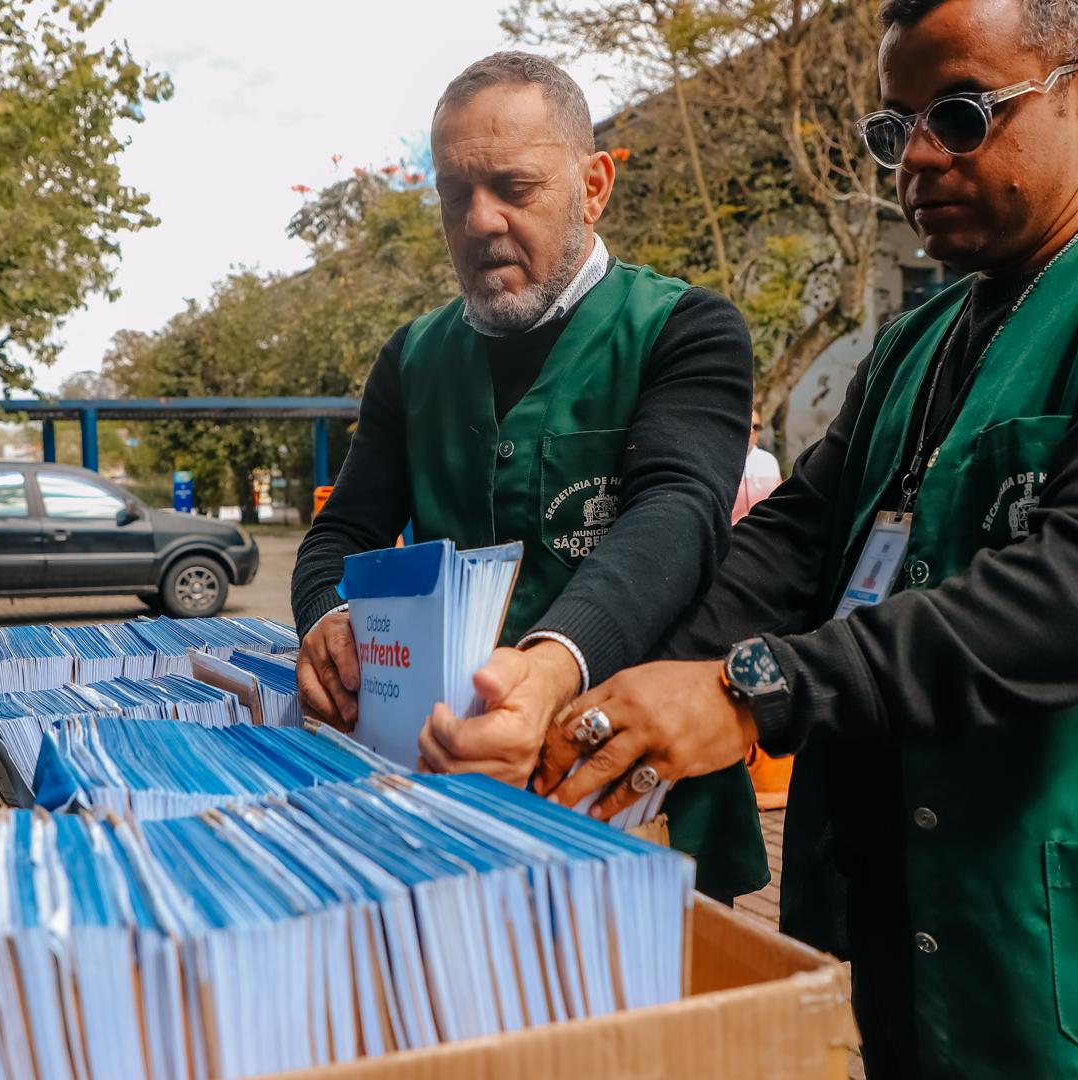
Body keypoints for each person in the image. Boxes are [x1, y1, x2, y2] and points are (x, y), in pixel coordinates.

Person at [530, 0, 1078, 1073]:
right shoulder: (916, 342)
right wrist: (598, 687)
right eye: (892, 124)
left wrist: (747, 689)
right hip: (922, 923)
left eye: (961, 116)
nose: (914, 157)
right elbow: (793, 546)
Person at [289, 52, 768, 901]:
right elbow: (342, 532)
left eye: (514, 186)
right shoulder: (411, 359)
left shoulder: (685, 330)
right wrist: (326, 616)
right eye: (453, 195)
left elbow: (678, 513)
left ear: (593, 186)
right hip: (454, 804)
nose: (479, 221)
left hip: (643, 803)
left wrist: (554, 665)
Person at [732, 408, 784, 522]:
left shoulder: (770, 461)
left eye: (756, 427)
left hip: (764, 532)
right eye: (747, 425)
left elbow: (779, 500)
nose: (751, 431)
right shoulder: (725, 459)